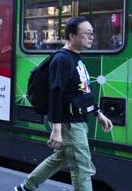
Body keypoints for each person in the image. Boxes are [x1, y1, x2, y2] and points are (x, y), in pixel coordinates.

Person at [15, 17, 114, 191]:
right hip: (69, 121)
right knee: (82, 167)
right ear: (72, 35)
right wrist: (56, 129)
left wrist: (98, 112)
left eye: (92, 33)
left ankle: (27, 186)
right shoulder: (62, 59)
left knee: (63, 157)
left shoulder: (76, 58)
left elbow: (83, 91)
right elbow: (55, 94)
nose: (92, 37)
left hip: (79, 120)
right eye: (87, 33)